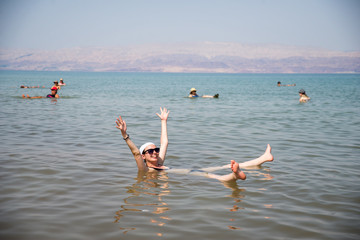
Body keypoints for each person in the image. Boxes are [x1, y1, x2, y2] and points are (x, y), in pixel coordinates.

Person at [115, 108, 273, 183]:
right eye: (151, 151)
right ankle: (234, 176)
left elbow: (165, 142)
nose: (155, 153)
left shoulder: (160, 162)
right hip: (188, 174)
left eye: (156, 150)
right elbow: (135, 153)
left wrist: (163, 122)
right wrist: (125, 135)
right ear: (144, 156)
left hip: (190, 170)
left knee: (224, 165)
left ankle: (263, 158)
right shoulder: (146, 169)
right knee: (213, 176)